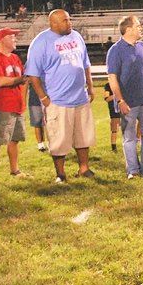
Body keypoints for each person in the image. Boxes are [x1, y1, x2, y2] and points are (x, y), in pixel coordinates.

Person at [25, 10, 96, 183]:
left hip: (80, 97)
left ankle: (84, 168)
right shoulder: (40, 42)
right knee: (59, 139)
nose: (69, 23)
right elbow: (33, 74)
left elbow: (85, 64)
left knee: (83, 136)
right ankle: (61, 173)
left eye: (69, 19)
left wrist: (90, 86)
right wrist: (44, 98)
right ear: (53, 23)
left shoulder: (76, 36)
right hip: (57, 99)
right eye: (65, 20)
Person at [107, 15, 143, 179]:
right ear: (129, 29)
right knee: (129, 137)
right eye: (138, 26)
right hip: (128, 102)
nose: (141, 28)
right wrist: (120, 100)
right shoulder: (115, 50)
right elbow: (112, 78)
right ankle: (133, 170)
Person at [0, 28, 27, 183]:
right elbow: (0, 81)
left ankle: (15, 170)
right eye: (12, 37)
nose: (15, 39)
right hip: (2, 105)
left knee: (15, 140)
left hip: (17, 105)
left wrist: (23, 101)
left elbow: (23, 82)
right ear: (2, 40)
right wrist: (21, 79)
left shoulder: (15, 58)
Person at [26, 82, 47, 153]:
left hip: (47, 97)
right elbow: (26, 82)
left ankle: (48, 142)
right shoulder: (30, 75)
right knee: (37, 122)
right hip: (34, 99)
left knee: (48, 122)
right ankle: (40, 144)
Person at [102, 78, 121, 151]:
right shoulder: (108, 86)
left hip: (124, 107)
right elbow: (107, 99)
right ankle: (114, 147)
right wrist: (116, 95)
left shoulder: (123, 83)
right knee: (114, 128)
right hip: (114, 109)